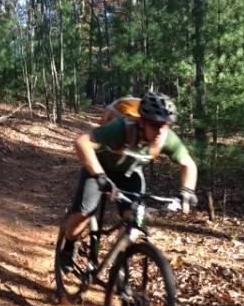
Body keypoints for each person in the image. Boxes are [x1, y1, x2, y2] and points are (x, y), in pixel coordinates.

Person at [59, 91, 198, 270]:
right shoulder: (120, 129)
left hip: (128, 173)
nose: (160, 131)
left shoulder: (165, 137)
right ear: (142, 122)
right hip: (99, 168)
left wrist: (187, 191)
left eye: (165, 125)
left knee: (134, 221)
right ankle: (67, 246)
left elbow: (188, 164)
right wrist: (100, 176)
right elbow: (82, 142)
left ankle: (119, 267)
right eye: (155, 125)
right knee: (84, 214)